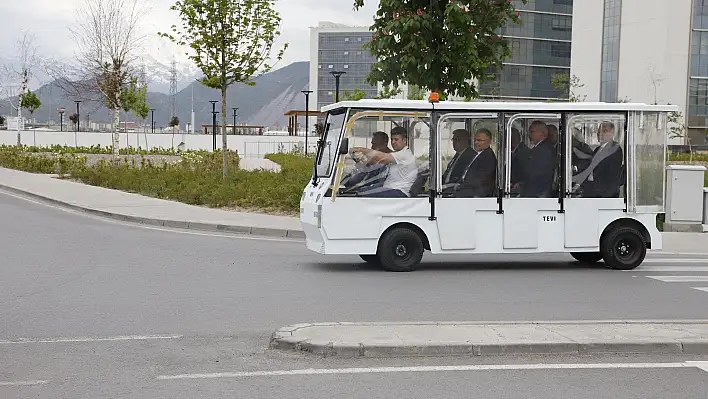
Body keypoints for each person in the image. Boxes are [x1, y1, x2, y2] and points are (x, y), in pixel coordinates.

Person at [349, 126, 418, 197]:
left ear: (404, 140)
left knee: (362, 195)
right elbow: (376, 162)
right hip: (390, 188)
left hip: (399, 191)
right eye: (392, 139)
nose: (393, 142)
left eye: (396, 139)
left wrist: (360, 149)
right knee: (361, 191)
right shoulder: (396, 154)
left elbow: (382, 157)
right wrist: (361, 158)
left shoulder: (404, 154)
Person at [574, 122, 624, 198]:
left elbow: (600, 163)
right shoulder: (598, 149)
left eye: (604, 131)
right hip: (591, 189)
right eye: (598, 131)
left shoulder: (615, 148)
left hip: (604, 194)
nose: (600, 134)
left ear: (612, 133)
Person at [453, 128, 497, 197]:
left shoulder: (488, 158)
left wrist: (461, 186)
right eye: (475, 140)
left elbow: (479, 180)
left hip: (477, 193)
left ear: (489, 142)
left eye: (479, 140)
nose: (476, 142)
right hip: (469, 188)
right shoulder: (479, 154)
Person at [519, 120, 556, 198]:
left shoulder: (544, 149)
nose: (529, 135)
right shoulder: (542, 148)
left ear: (541, 133)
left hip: (538, 193)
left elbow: (538, 173)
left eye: (532, 132)